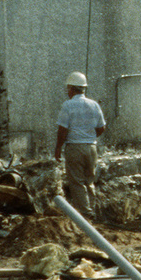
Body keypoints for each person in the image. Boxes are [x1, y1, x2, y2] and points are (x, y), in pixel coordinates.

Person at [53, 71, 107, 218]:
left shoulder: (68, 105)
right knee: (89, 180)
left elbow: (62, 130)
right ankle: (92, 211)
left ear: (71, 88)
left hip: (75, 147)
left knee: (76, 181)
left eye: (68, 88)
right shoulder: (94, 105)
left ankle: (84, 214)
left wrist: (58, 148)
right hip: (92, 148)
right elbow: (101, 128)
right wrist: (88, 136)